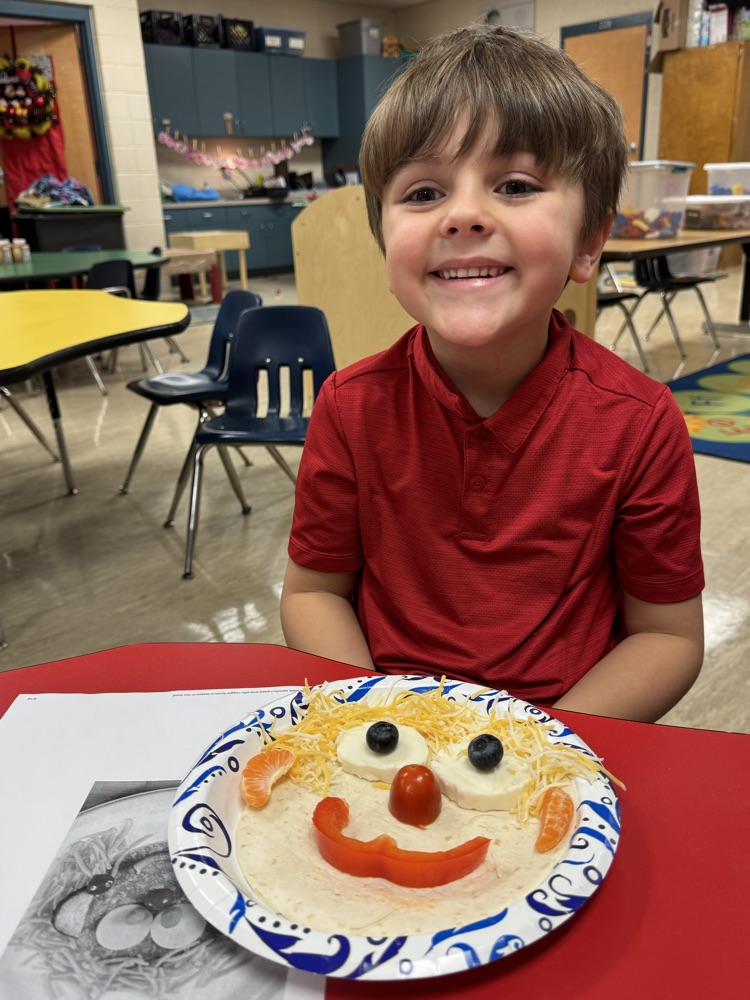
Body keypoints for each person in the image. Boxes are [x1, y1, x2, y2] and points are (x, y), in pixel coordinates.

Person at [280, 23, 704, 722]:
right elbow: (313, 592)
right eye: (422, 194)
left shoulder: (640, 422)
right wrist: (373, 715)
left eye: (514, 184)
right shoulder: (349, 406)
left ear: (590, 240)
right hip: (387, 733)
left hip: (563, 744)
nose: (464, 215)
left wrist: (537, 746)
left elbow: (666, 635)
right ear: (385, 241)